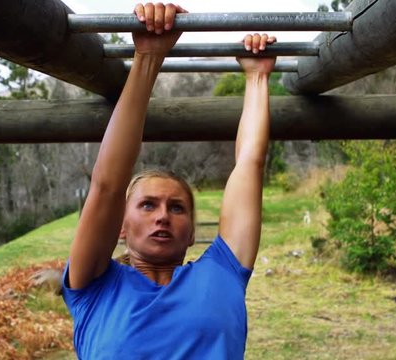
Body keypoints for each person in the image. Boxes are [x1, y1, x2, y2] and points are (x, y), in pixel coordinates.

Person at [61, 3, 276, 359]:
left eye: (176, 208)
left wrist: (257, 78)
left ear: (192, 232)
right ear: (121, 226)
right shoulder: (94, 286)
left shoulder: (222, 274)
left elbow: (249, 165)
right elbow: (107, 185)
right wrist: (147, 56)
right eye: (148, 205)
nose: (163, 216)